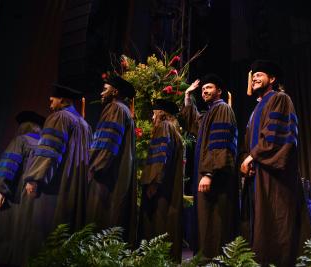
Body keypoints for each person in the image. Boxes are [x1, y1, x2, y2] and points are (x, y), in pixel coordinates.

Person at [239, 60, 309, 266]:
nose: (255, 78)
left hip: (275, 177)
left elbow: (277, 135)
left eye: (259, 74)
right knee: (261, 226)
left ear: (272, 79)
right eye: (253, 76)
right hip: (258, 175)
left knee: (277, 225)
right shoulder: (256, 109)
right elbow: (247, 142)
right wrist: (247, 161)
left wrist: (253, 157)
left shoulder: (279, 99)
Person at [22, 84, 92, 260]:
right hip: (76, 188)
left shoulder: (59, 117)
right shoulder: (85, 125)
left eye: (52, 100)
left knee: (45, 238)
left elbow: (50, 150)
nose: (50, 104)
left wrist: (34, 178)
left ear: (62, 99)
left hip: (56, 187)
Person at [181, 73, 238, 260]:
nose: (205, 90)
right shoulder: (209, 113)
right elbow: (193, 123)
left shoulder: (222, 109)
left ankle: (214, 261)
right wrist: (188, 97)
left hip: (215, 178)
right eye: (203, 88)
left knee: (214, 221)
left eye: (209, 87)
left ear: (219, 91)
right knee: (206, 221)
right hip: (207, 175)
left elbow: (220, 143)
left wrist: (209, 173)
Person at [86, 74, 137, 245]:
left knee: (102, 220)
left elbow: (107, 142)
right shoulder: (124, 110)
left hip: (107, 176)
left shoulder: (115, 108)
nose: (101, 93)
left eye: (105, 89)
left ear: (115, 91)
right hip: (115, 172)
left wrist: (94, 167)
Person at [0, 111, 44, 266]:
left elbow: (8, 166)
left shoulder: (20, 140)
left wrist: (1, 190)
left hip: (12, 200)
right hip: (32, 203)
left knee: (1, 241)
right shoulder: (44, 146)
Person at [139, 99, 183, 262]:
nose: (152, 118)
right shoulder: (174, 130)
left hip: (160, 189)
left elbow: (160, 156)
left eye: (153, 113)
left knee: (157, 224)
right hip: (169, 186)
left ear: (161, 114)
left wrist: (154, 182)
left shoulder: (164, 127)